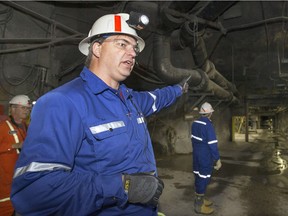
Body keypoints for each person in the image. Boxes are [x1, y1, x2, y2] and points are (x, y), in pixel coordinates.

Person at [11, 12, 190, 216]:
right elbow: (34, 192)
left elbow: (159, 97)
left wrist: (179, 89)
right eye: (122, 44)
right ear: (96, 48)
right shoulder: (62, 102)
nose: (132, 53)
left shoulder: (131, 100)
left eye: (134, 48)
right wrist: (123, 186)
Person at [0, 95, 31, 216]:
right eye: (23, 108)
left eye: (28, 109)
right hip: (4, 178)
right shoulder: (2, 127)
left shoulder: (24, 127)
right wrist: (13, 146)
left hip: (18, 175)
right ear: (13, 109)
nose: (26, 111)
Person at [191, 102, 222, 215]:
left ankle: (201, 198)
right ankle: (199, 206)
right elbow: (212, 144)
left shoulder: (194, 123)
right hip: (205, 156)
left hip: (196, 155)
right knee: (204, 178)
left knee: (198, 176)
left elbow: (193, 139)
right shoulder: (208, 125)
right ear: (210, 113)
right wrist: (217, 159)